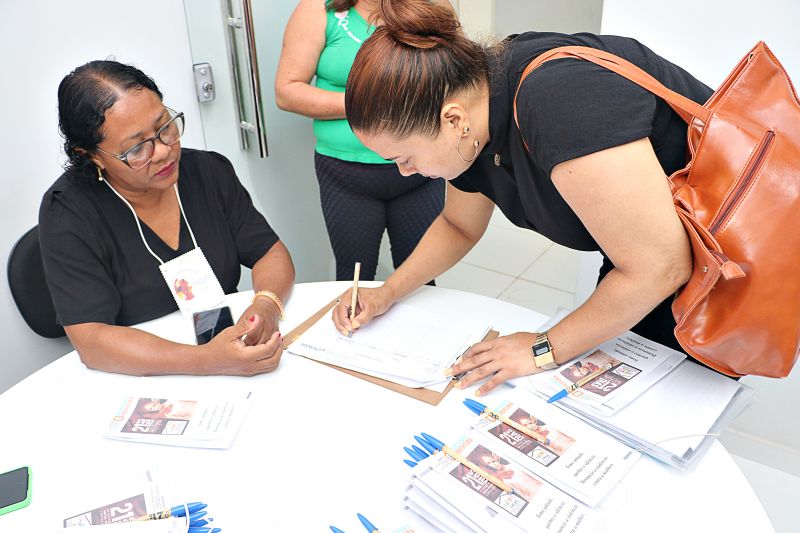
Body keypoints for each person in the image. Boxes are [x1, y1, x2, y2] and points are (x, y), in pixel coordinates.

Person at [332, 0, 714, 395]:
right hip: (644, 265)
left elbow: (659, 268)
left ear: (453, 120)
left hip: (718, 260)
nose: (404, 172)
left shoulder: (558, 100)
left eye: (404, 157)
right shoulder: (472, 121)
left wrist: (540, 349)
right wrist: (387, 293)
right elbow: (458, 226)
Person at [40, 60, 295, 377]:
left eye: (164, 127)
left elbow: (270, 252)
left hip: (229, 349)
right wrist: (207, 361)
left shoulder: (207, 171)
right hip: (141, 372)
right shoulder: (69, 214)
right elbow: (91, 340)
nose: (162, 151)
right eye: (136, 149)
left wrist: (266, 307)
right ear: (90, 156)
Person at [274, 0, 445, 282]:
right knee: (354, 277)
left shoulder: (430, 5)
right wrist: (369, 103)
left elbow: (454, 76)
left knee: (422, 277)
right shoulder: (319, 10)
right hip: (346, 177)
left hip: (422, 171)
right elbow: (287, 91)